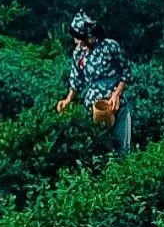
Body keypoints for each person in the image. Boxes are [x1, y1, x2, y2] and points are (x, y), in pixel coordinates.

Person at [57, 11, 132, 155]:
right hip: (93, 108)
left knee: (122, 150)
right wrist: (68, 99)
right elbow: (76, 81)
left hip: (116, 105)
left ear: (88, 37)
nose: (75, 41)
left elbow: (125, 73)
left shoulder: (110, 46)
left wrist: (116, 94)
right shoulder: (78, 53)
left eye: (78, 38)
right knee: (99, 151)